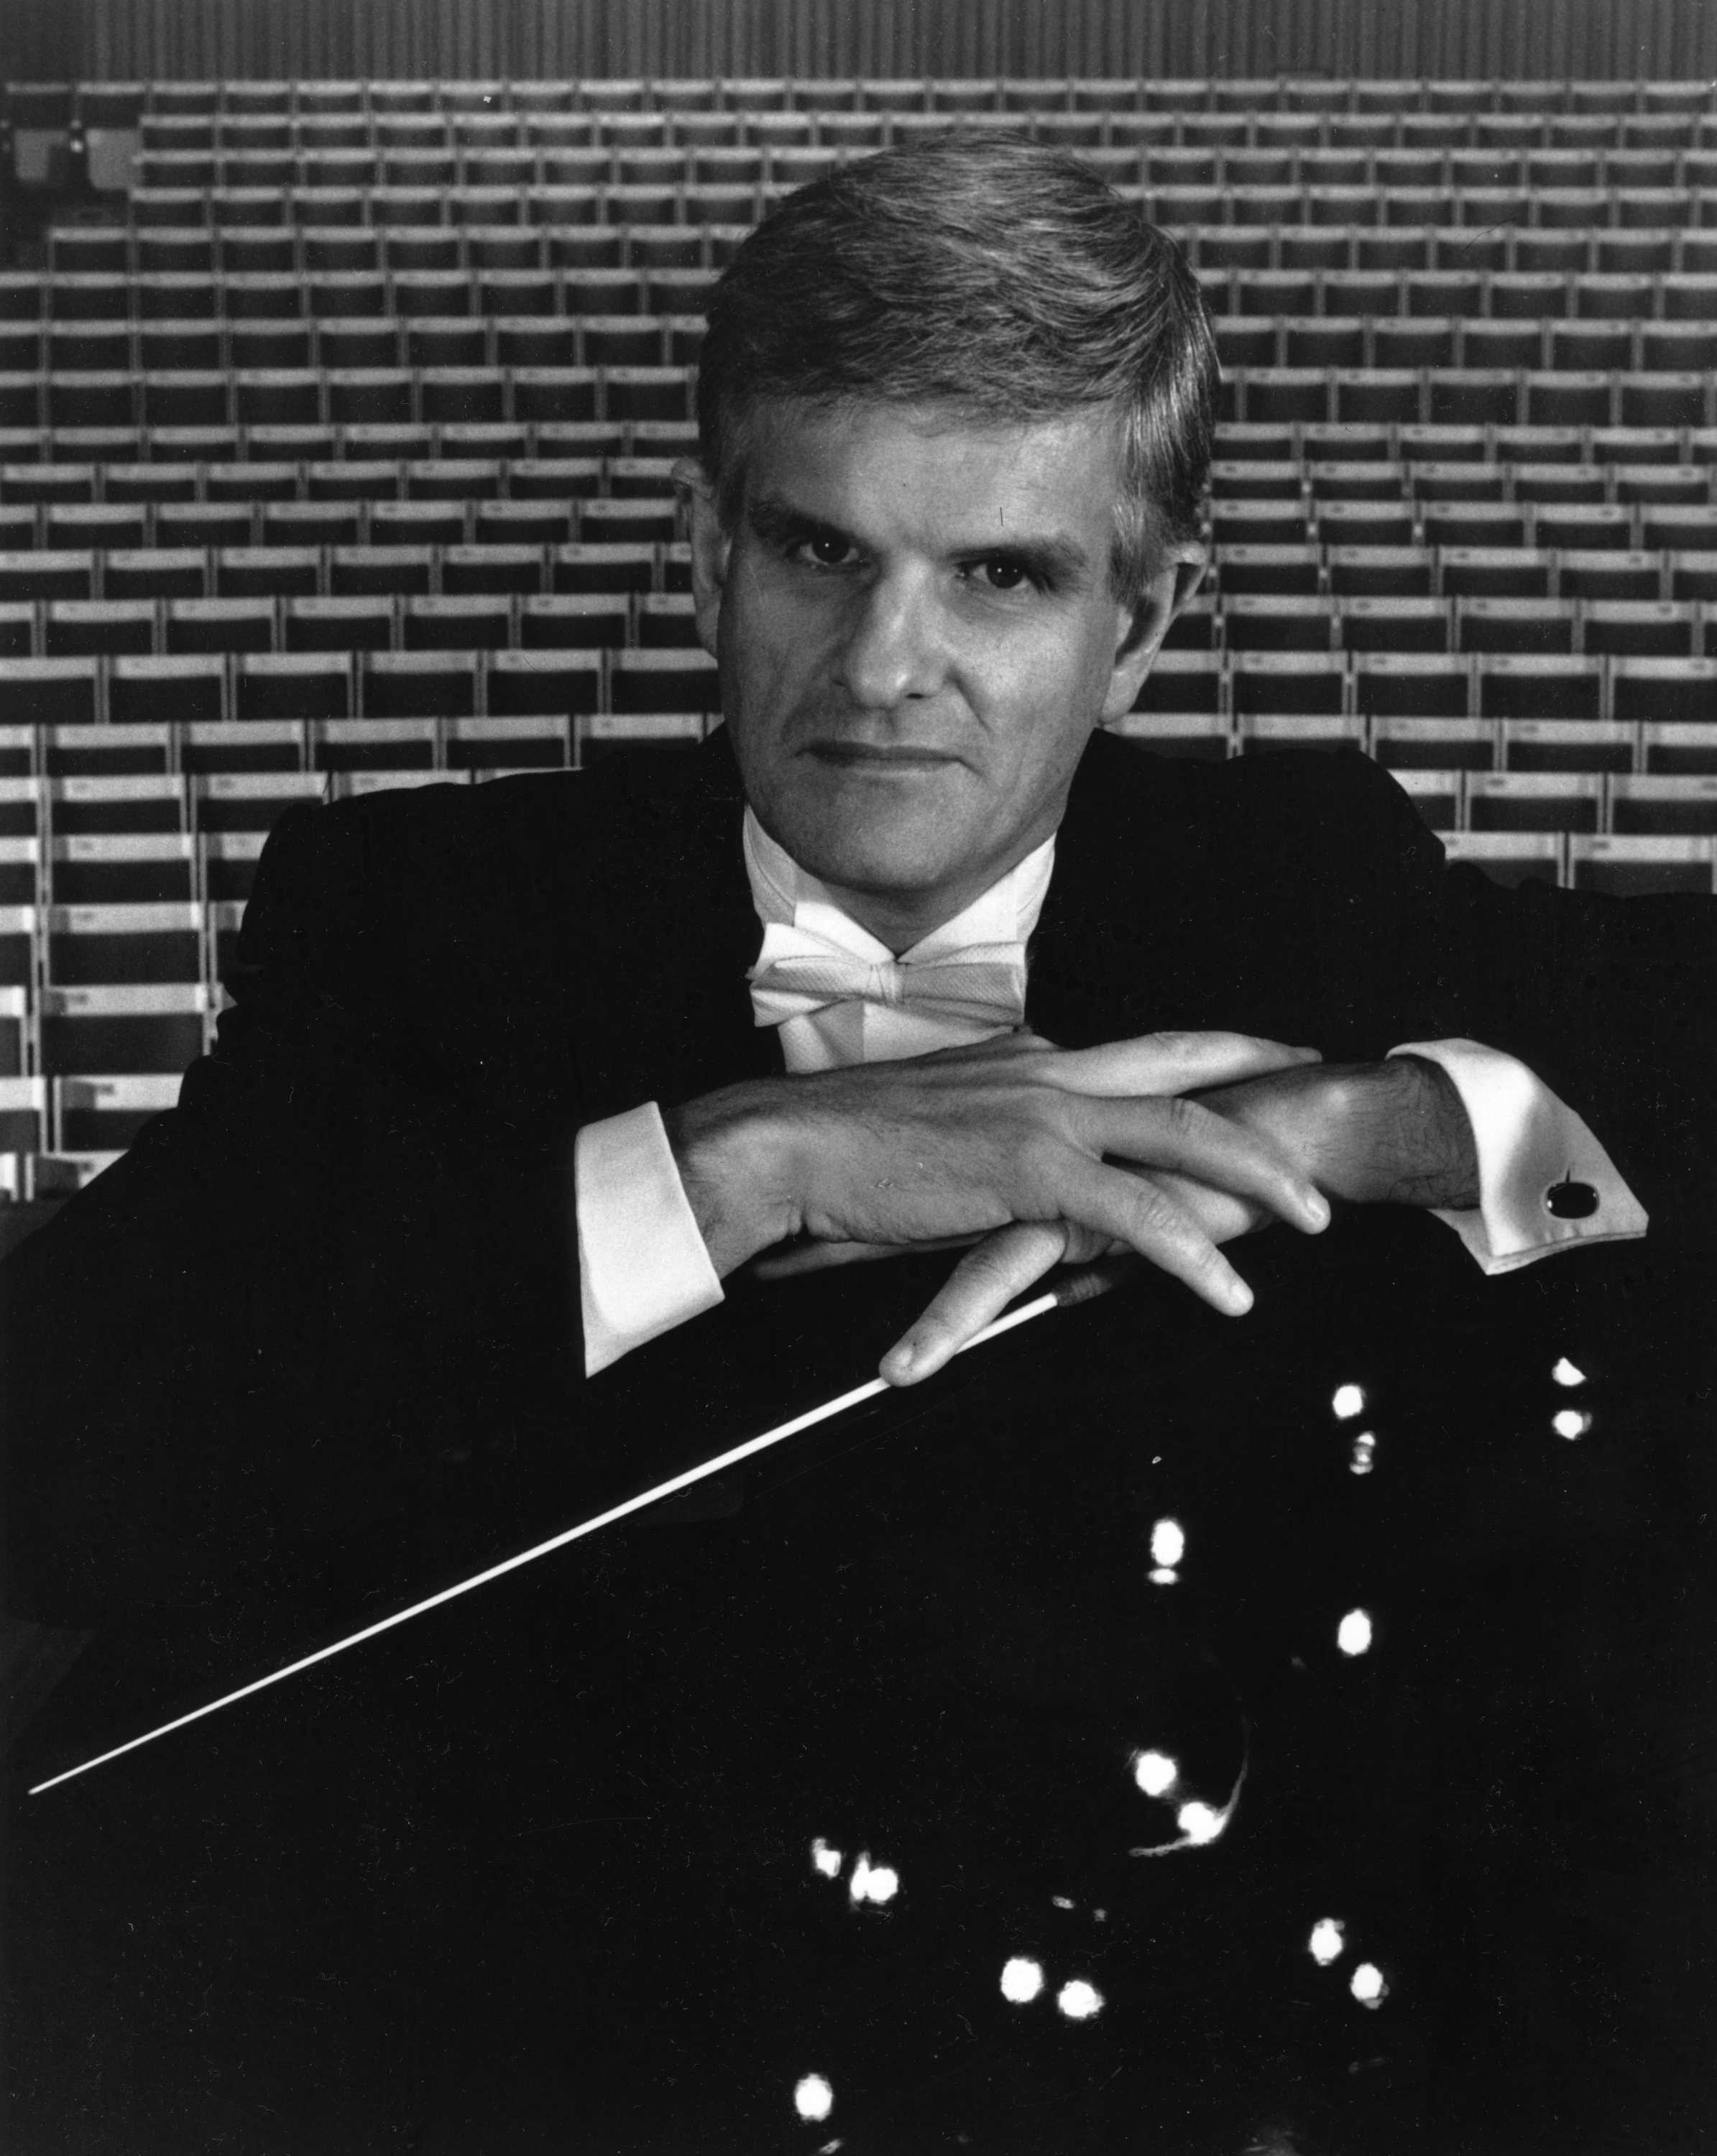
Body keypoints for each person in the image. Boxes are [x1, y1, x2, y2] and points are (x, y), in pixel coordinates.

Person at [4, 136, 1714, 2152]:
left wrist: (1380, 1115)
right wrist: (752, 1166)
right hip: (570, 2007)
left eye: (1001, 574)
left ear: (1143, 623)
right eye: (824, 550)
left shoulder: (1308, 870)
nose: (890, 667)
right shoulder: (419, 913)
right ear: (712, 553)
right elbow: (66, 1454)